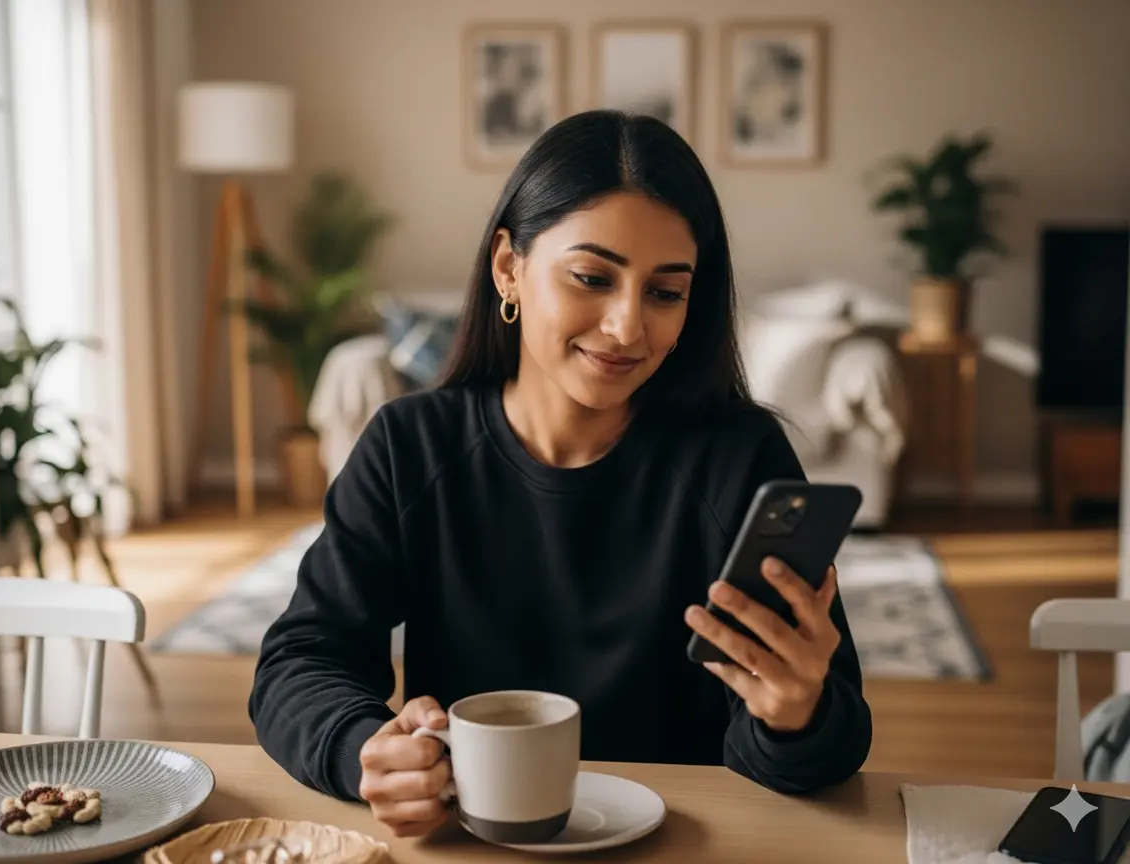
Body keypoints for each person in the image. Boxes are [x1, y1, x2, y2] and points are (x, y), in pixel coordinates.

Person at [248, 109, 873, 838]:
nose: (627, 327)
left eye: (665, 292)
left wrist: (797, 715)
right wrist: (365, 748)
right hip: (477, 846)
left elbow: (829, 744)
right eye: (591, 277)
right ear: (508, 266)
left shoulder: (740, 459)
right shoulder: (408, 446)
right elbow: (302, 660)